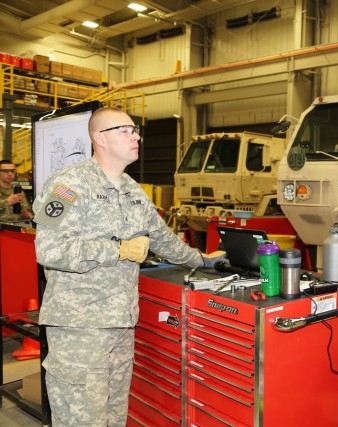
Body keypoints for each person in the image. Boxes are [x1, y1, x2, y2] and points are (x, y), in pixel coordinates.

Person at [32, 107, 225, 426]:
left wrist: (204, 260)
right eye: (126, 130)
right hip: (79, 327)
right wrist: (118, 249)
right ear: (99, 138)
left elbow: (163, 239)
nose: (136, 136)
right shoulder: (67, 184)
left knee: (113, 414)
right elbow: (49, 249)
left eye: (136, 130)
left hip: (120, 323)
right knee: (81, 418)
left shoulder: (132, 190)